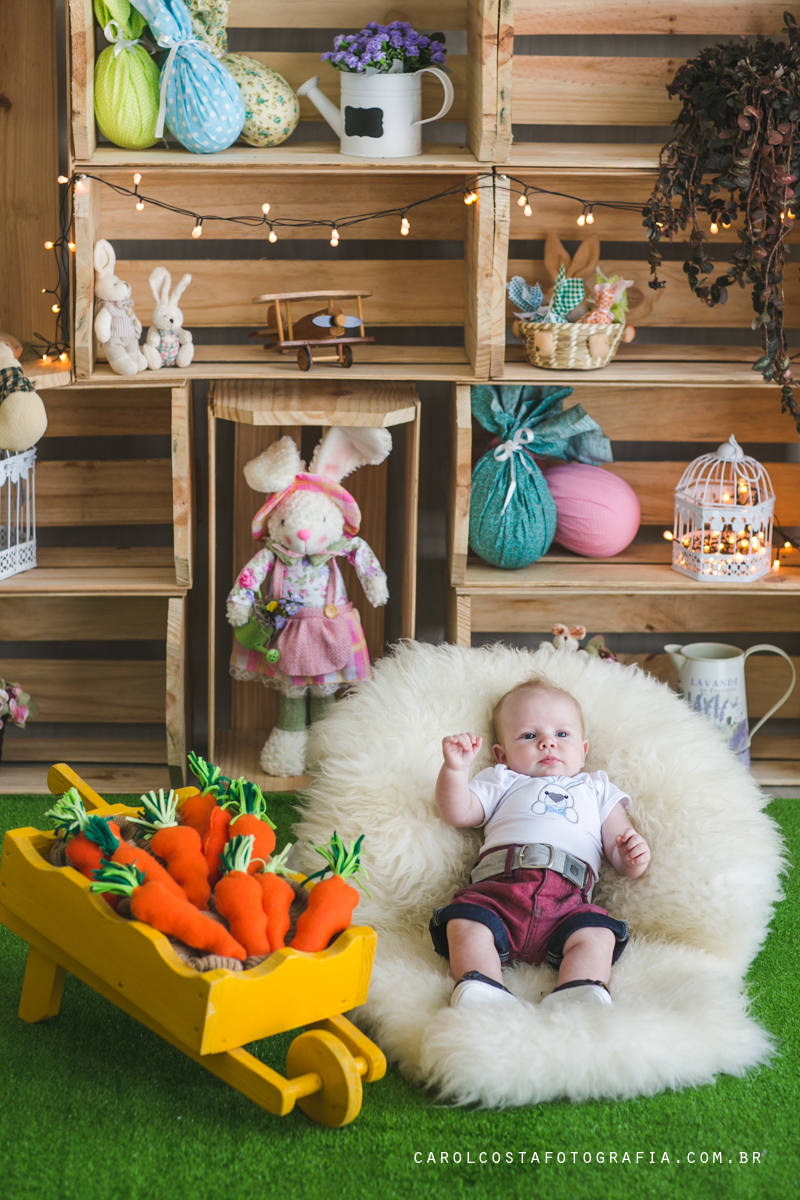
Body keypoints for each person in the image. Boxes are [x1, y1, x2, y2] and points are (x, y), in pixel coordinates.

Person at [430, 677, 651, 1009]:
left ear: (584, 750)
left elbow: (619, 849)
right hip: (497, 893)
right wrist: (454, 770)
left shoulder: (597, 788)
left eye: (562, 734)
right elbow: (458, 812)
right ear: (501, 754)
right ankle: (482, 987)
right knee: (465, 921)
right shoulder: (502, 779)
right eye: (530, 736)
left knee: (598, 931)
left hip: (569, 901)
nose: (548, 743)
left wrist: (632, 856)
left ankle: (578, 989)